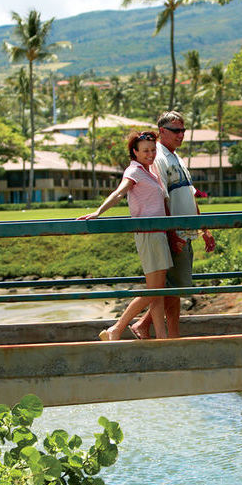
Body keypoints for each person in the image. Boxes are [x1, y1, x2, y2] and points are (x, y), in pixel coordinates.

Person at [77, 130, 171, 340]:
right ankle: (117, 328)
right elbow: (119, 192)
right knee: (155, 289)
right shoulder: (135, 171)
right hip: (149, 235)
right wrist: (98, 211)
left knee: (157, 289)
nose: (150, 154)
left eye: (153, 150)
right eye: (145, 151)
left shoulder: (150, 172)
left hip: (158, 233)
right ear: (135, 152)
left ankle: (161, 337)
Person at [131, 111, 215, 339]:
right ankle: (158, 331)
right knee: (171, 288)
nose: (181, 134)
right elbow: (162, 198)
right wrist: (171, 233)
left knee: (175, 287)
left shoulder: (176, 158)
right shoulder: (159, 158)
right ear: (162, 132)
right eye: (176, 130)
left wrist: (203, 229)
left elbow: (189, 196)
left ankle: (152, 328)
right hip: (174, 232)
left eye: (183, 130)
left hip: (185, 231)